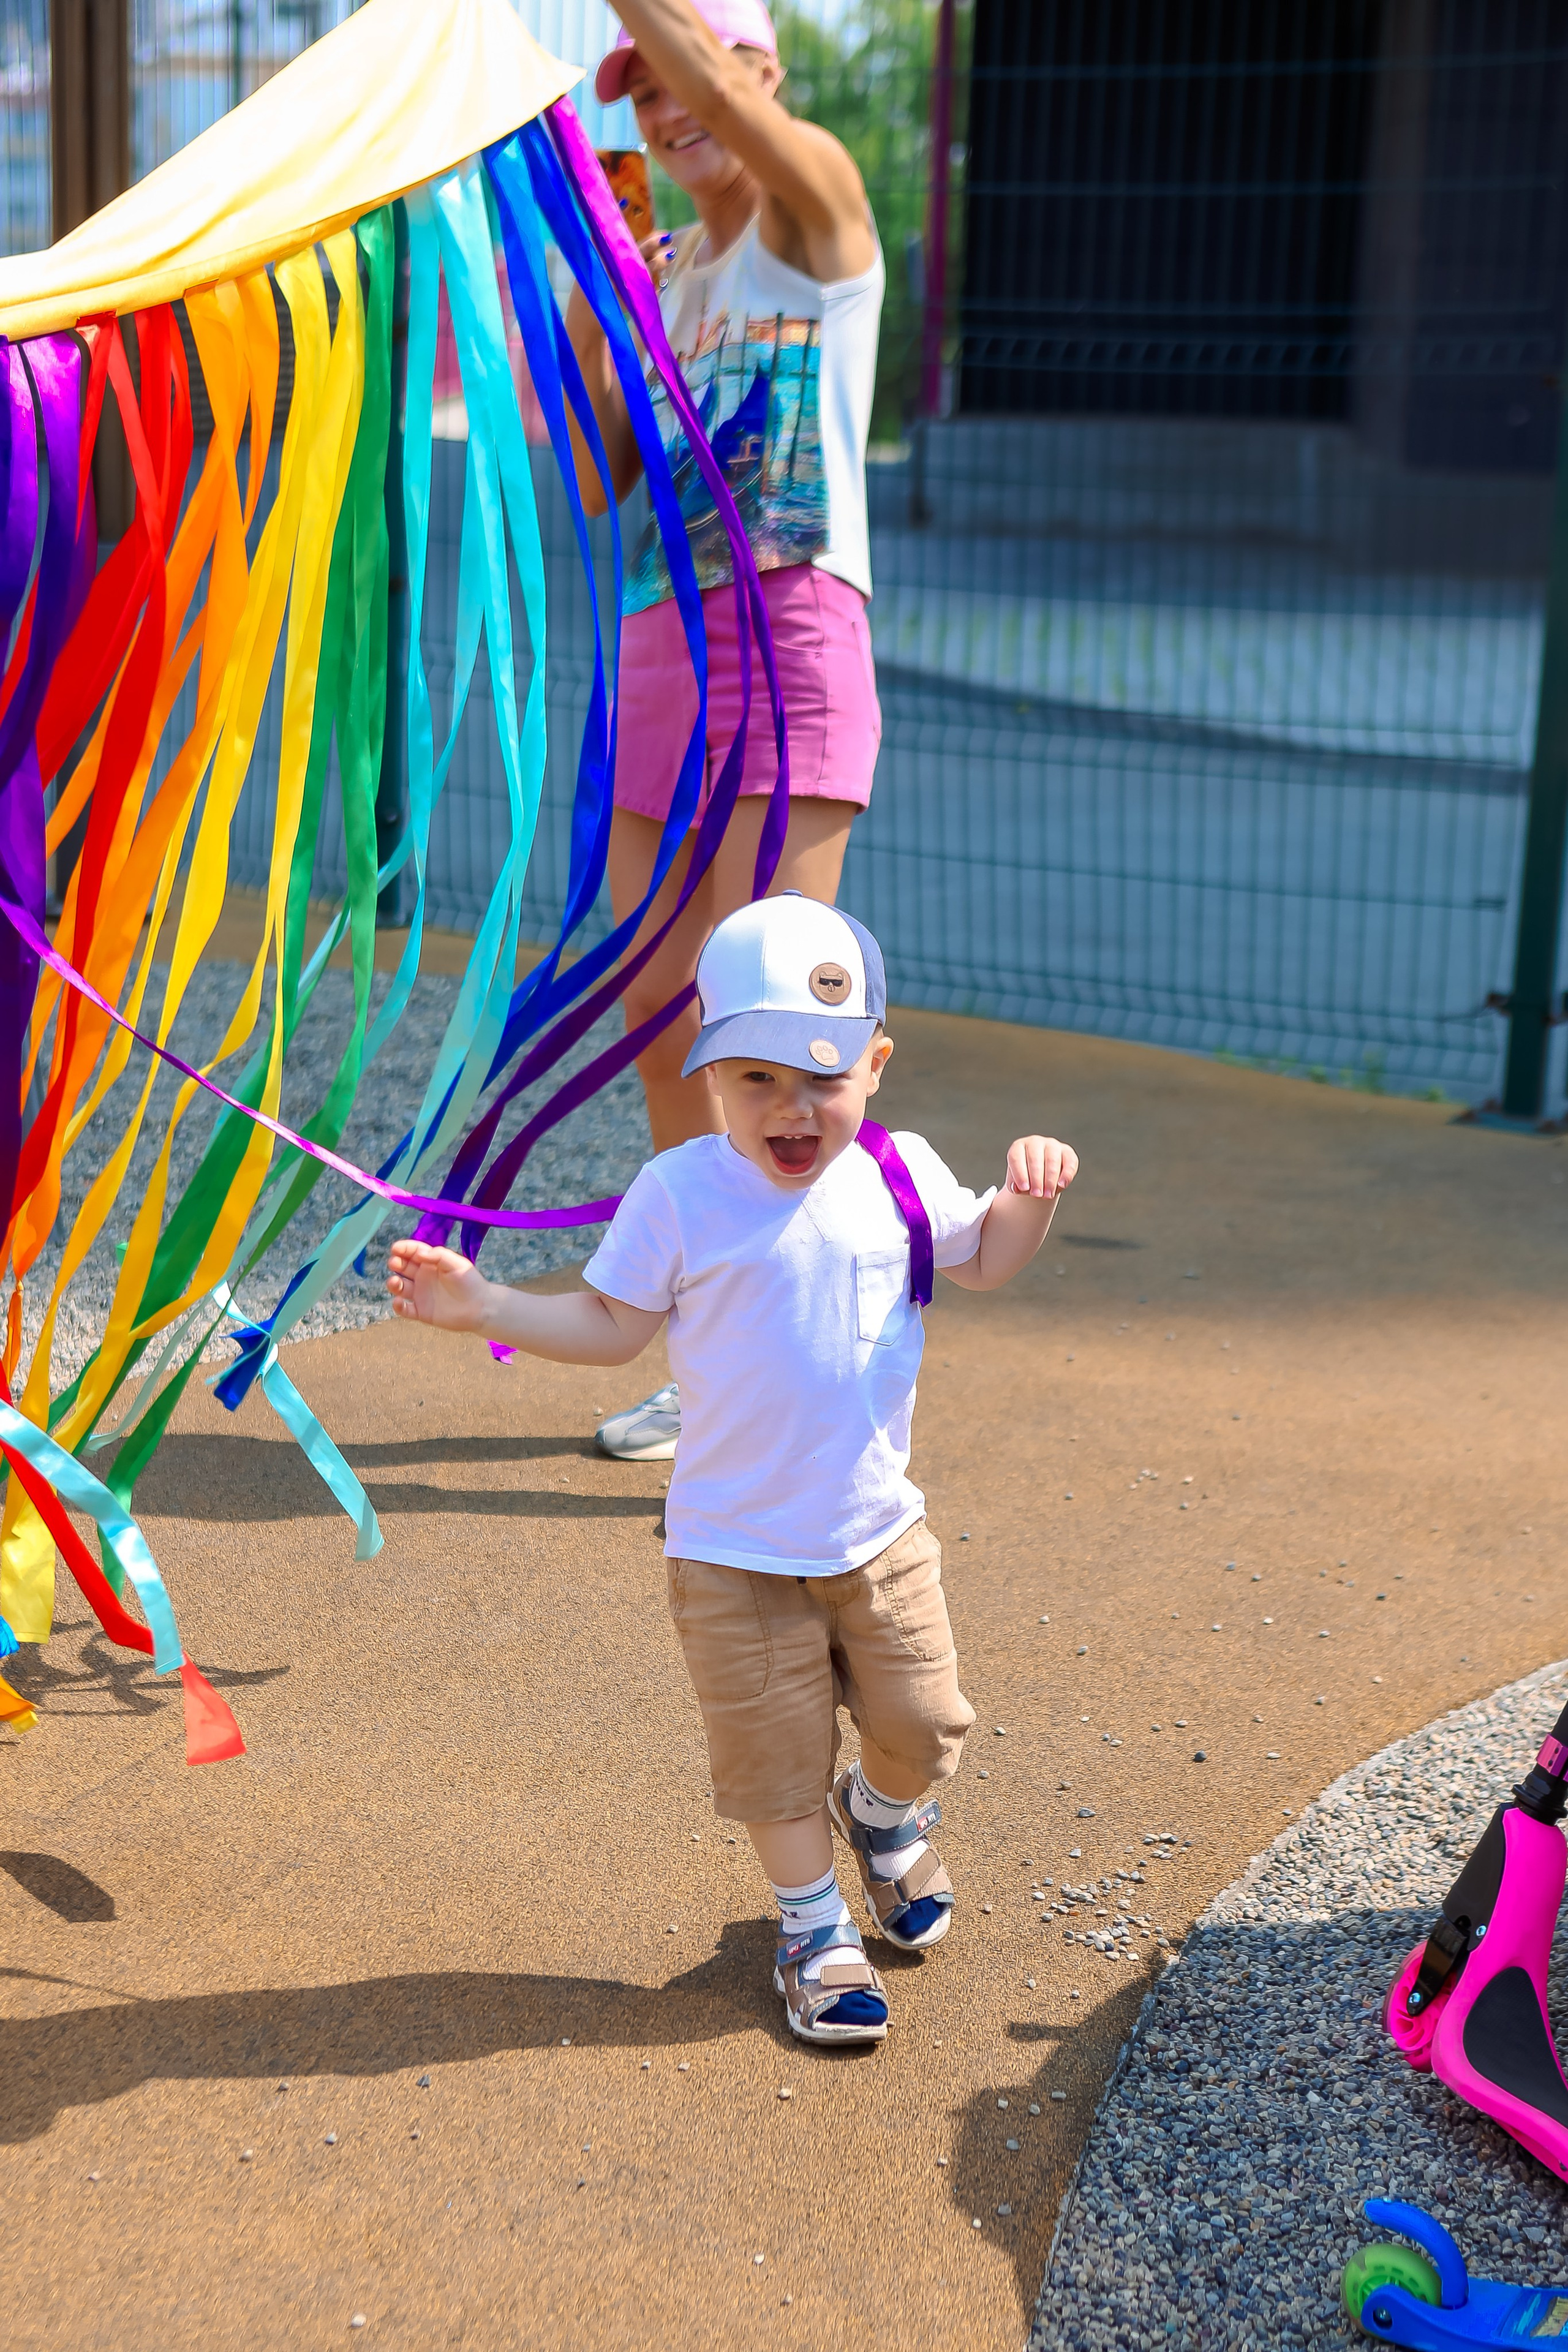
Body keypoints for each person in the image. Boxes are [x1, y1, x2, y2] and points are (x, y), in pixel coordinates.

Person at [387, 895, 1079, 2047]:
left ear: (876, 1061)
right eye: (753, 1078)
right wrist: (486, 1307)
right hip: (731, 1551)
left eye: (820, 1076)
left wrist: (1028, 1200)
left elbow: (991, 1260)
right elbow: (613, 1324)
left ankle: (885, 1813)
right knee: (772, 1766)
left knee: (925, 1721)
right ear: (711, 1077)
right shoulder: (681, 1193)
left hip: (876, 1534)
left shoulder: (900, 1175)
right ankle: (812, 1927)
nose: (790, 1108)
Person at [565, 0, 886, 1465]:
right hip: (661, 642)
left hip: (788, 629)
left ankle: (802, 1373)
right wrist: (592, 283)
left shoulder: (813, 200)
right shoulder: (667, 271)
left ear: (756, 72)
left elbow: (752, 135)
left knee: (767, 1020)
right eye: (636, 97)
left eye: (685, 76)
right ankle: (714, 1354)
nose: (663, 111)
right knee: (658, 1015)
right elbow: (586, 470)